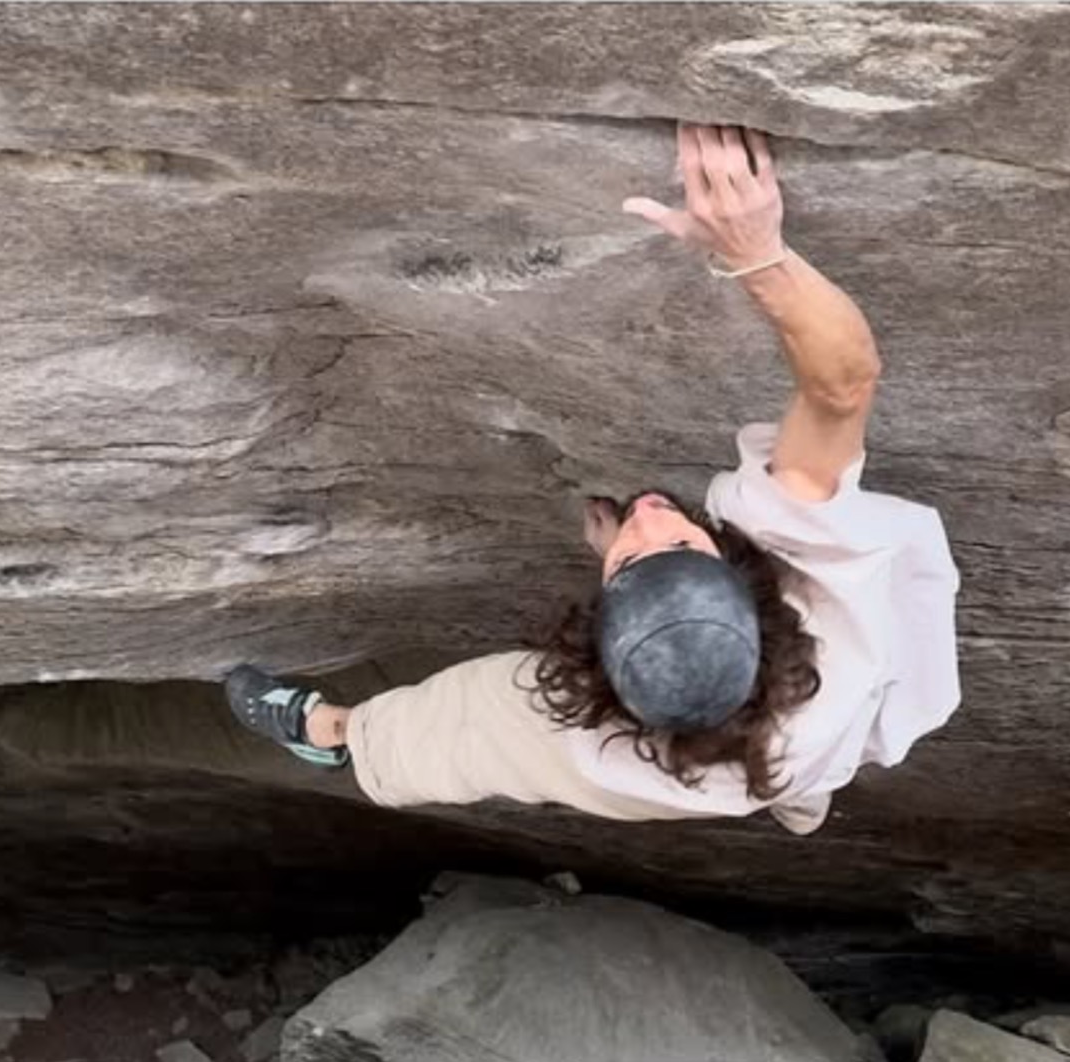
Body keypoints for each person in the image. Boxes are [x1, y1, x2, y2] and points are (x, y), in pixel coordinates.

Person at [226, 123, 960, 835]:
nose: (646, 515)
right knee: (814, 757)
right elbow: (842, 384)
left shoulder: (597, 738)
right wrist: (756, 252)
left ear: (605, 666)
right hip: (832, 729)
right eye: (676, 544)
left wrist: (638, 576)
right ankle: (800, 799)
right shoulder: (822, 590)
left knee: (478, 715)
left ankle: (332, 733)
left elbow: (489, 726)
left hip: (712, 770)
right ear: (745, 590)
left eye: (634, 557)